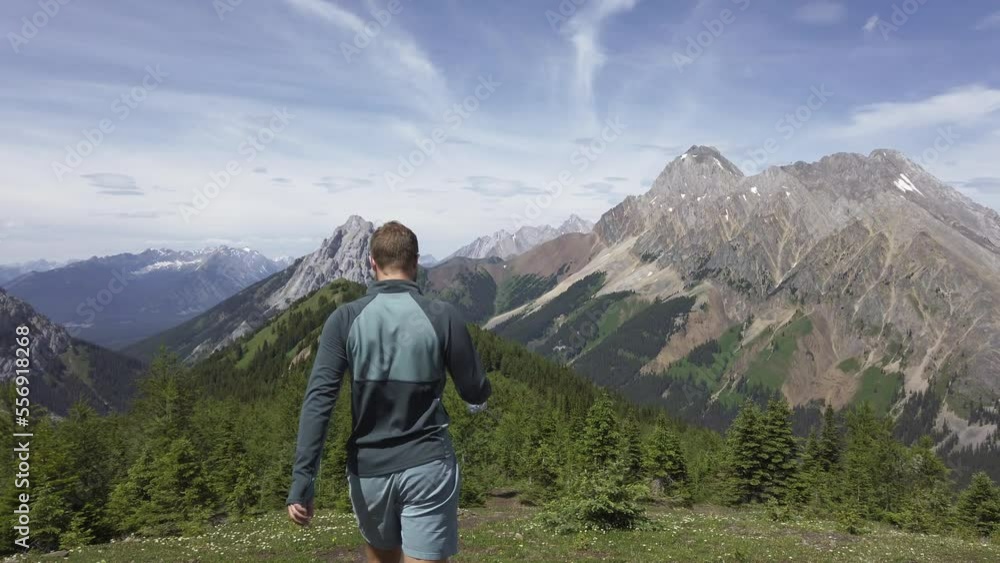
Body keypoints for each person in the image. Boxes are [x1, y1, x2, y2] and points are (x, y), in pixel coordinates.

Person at [286, 221, 492, 563]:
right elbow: (474, 391)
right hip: (428, 464)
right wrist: (482, 390)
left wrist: (302, 479)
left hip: (369, 471)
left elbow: (319, 401)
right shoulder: (443, 316)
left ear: (372, 263)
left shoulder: (345, 319)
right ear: (416, 262)